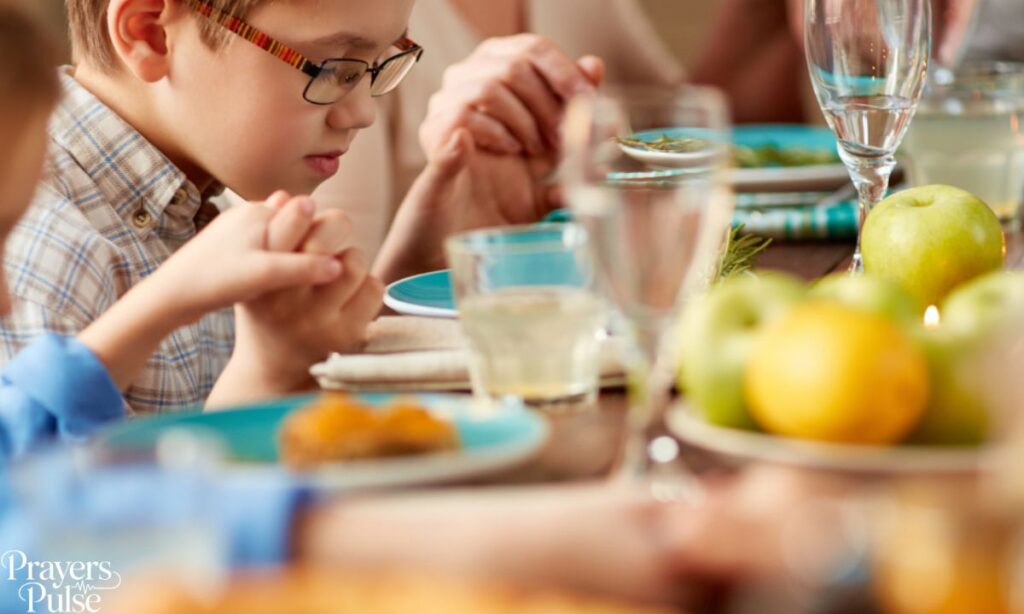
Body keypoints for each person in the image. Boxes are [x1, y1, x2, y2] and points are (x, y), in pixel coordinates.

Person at [1, 0, 524, 415]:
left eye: (377, 65)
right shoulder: (44, 250)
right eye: (333, 66)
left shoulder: (202, 200)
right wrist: (264, 380)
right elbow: (91, 536)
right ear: (151, 33)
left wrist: (418, 257)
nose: (362, 111)